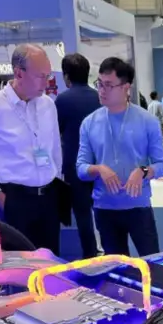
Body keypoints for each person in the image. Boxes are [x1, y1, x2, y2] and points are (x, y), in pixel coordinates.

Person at [0, 44, 63, 254]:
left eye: (49, 75)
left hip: (49, 197)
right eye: (40, 76)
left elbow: (54, 149)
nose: (47, 82)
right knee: (21, 267)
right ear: (19, 73)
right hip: (16, 199)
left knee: (52, 263)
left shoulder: (47, 105)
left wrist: (57, 180)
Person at [77, 57, 163, 257]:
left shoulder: (147, 121)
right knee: (117, 271)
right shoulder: (89, 123)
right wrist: (99, 169)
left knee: (153, 264)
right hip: (105, 208)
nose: (101, 90)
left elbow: (162, 164)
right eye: (99, 84)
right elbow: (81, 168)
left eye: (108, 85)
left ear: (126, 87)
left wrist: (143, 171)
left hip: (138, 206)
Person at [55, 53, 101, 258]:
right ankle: (112, 251)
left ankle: (90, 254)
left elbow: (56, 132)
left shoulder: (62, 100)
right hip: (102, 164)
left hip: (75, 166)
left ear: (66, 77)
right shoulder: (100, 97)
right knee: (104, 210)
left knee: (82, 215)